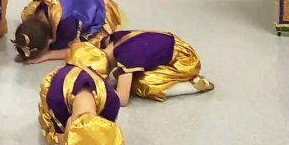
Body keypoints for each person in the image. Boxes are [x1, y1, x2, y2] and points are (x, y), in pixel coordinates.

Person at [37, 55, 124, 145]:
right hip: (60, 83)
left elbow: (104, 141)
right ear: (69, 122)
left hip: (89, 84)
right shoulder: (56, 102)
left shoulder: (112, 102)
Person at [74, 31, 215, 104]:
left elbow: (122, 99)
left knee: (142, 84)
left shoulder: (127, 57)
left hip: (184, 61)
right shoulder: (108, 41)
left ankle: (195, 85)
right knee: (122, 77)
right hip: (174, 46)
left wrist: (93, 95)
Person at [13, 0, 122, 64]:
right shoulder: (31, 11)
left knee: (93, 46)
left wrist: (47, 55)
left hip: (96, 5)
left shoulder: (67, 26)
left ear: (50, 41)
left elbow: (75, 50)